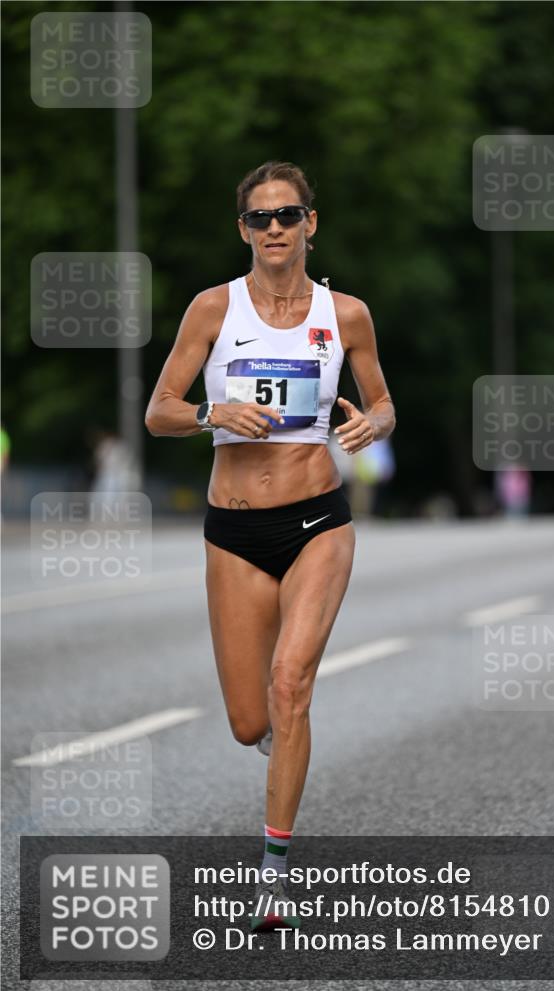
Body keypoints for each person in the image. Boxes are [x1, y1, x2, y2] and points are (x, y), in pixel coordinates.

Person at [144, 161, 395, 930]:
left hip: (319, 518)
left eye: (288, 214)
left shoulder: (345, 313)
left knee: (291, 685)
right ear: (243, 230)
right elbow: (158, 410)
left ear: (310, 224)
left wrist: (370, 425)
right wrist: (211, 414)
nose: (276, 228)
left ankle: (273, 875)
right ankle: (277, 746)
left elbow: (381, 401)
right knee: (249, 720)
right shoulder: (211, 310)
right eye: (261, 218)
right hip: (235, 529)